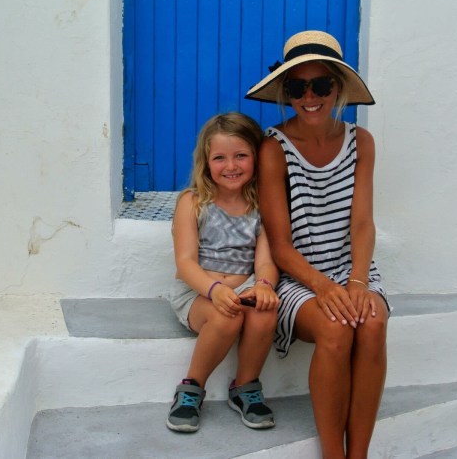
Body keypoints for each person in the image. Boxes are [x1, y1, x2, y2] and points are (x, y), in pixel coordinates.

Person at [245, 30, 391, 458]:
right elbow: (280, 244)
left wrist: (357, 281)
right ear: (286, 93)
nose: (310, 97)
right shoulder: (273, 147)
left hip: (352, 268)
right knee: (335, 328)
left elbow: (362, 223)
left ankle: (358, 454)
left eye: (321, 85)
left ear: (338, 88)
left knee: (373, 324)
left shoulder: (361, 143)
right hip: (298, 276)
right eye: (297, 87)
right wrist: (324, 287)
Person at [165, 112, 280, 433]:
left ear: (256, 158)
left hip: (245, 285)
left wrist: (264, 285)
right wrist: (215, 290)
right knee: (227, 315)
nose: (231, 165)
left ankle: (245, 387)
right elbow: (186, 262)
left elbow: (265, 261)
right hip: (199, 292)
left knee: (265, 312)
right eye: (220, 158)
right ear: (206, 161)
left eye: (241, 155)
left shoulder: (261, 206)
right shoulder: (193, 202)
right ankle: (192, 387)